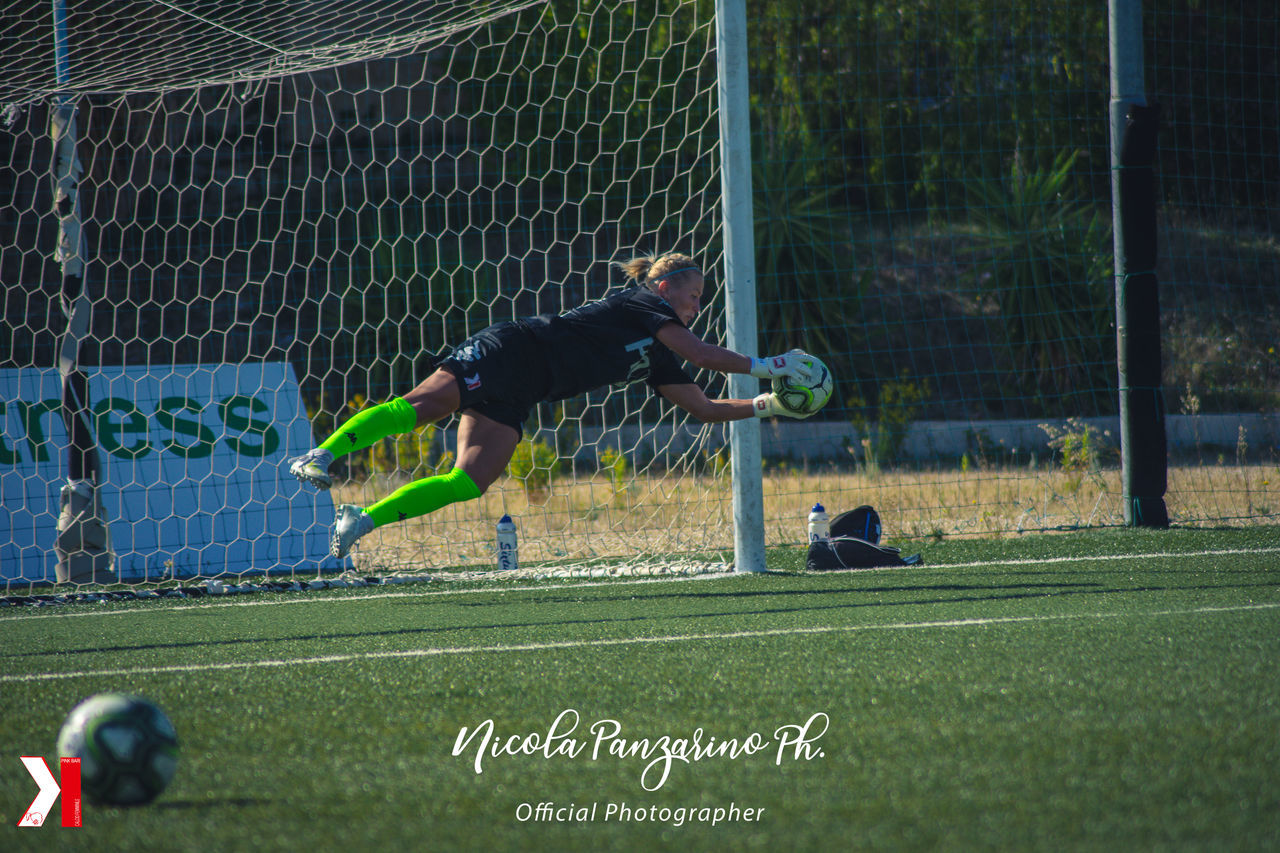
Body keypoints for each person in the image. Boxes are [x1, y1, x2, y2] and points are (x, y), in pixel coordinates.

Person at [287, 252, 822, 558]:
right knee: (420, 407)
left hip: (523, 393)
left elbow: (702, 408)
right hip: (509, 350)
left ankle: (361, 519)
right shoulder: (642, 304)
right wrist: (772, 365)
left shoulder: (661, 350)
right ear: (663, 287)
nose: (697, 305)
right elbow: (702, 354)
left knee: (467, 482)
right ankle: (321, 456)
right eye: (694, 295)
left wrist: (768, 404)